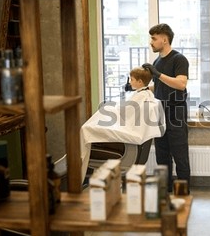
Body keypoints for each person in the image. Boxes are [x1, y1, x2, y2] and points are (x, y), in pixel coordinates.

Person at [80, 65, 165, 181]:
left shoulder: (141, 96)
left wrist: (111, 109)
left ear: (140, 82)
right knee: (93, 125)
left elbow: (125, 114)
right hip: (127, 129)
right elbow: (127, 111)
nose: (130, 82)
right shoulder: (146, 95)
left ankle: (79, 174)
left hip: (127, 142)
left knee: (86, 130)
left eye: (132, 79)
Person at [143, 23, 191, 192]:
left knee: (180, 156)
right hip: (160, 112)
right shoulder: (157, 61)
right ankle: (166, 192)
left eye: (154, 38)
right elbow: (159, 87)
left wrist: (157, 74)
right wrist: (140, 88)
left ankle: (183, 195)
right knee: (162, 156)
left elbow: (181, 84)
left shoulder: (179, 59)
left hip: (176, 113)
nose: (151, 42)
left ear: (164, 39)